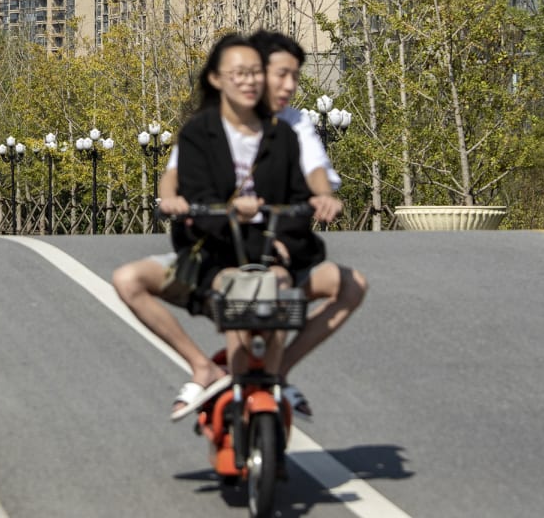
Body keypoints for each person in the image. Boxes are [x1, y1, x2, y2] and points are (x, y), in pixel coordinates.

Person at [111, 31, 366, 420]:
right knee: (169, 281)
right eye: (276, 74)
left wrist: (315, 205)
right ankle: (205, 369)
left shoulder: (288, 130)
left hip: (272, 253)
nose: (285, 85)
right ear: (221, 78)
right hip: (214, 254)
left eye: (292, 76)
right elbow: (179, 180)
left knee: (304, 285)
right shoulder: (202, 130)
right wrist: (186, 204)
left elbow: (312, 178)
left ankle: (277, 375)